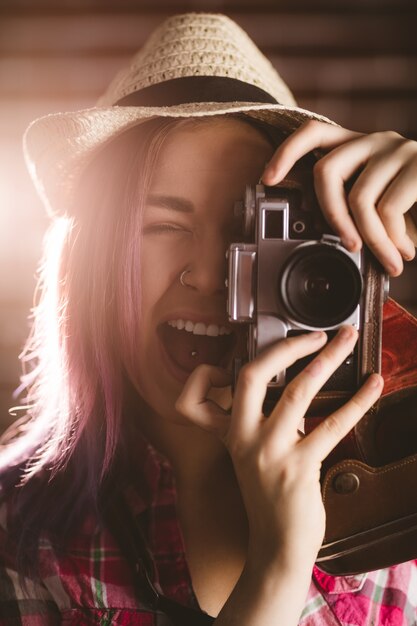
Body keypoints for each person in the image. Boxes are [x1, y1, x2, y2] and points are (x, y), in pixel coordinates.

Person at [1, 12, 417, 626]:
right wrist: (276, 570)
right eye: (163, 227)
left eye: (249, 228)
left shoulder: (396, 488)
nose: (210, 274)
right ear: (88, 263)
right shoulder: (18, 535)